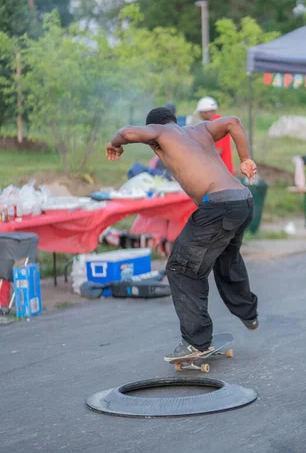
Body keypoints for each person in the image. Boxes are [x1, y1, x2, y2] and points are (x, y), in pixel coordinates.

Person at [106, 107, 258, 361]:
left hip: (218, 206)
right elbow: (233, 121)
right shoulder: (199, 129)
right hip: (243, 199)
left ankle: (196, 343)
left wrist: (114, 144)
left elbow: (126, 132)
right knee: (225, 257)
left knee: (181, 267)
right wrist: (245, 158)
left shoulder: (161, 133)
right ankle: (248, 313)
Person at [195, 96, 235, 174]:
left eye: (200, 113)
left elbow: (218, 150)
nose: (200, 116)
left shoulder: (217, 124)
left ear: (206, 112)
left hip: (221, 172)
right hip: (222, 171)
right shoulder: (219, 122)